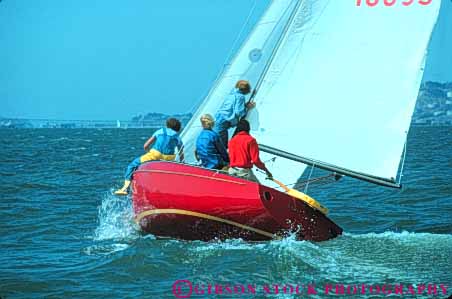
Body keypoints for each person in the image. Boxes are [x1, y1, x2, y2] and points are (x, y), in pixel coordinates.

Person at [114, 118, 184, 195]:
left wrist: (149, 153)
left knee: (132, 165)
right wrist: (182, 162)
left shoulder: (161, 131)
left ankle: (125, 188)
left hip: (155, 154)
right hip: (169, 158)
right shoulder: (177, 136)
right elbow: (181, 150)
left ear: (167, 125)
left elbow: (145, 146)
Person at [214, 80, 256, 148]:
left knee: (218, 142)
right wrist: (247, 109)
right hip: (223, 122)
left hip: (218, 120)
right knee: (223, 146)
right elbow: (238, 112)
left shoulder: (232, 94)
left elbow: (233, 107)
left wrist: (244, 106)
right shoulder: (241, 97)